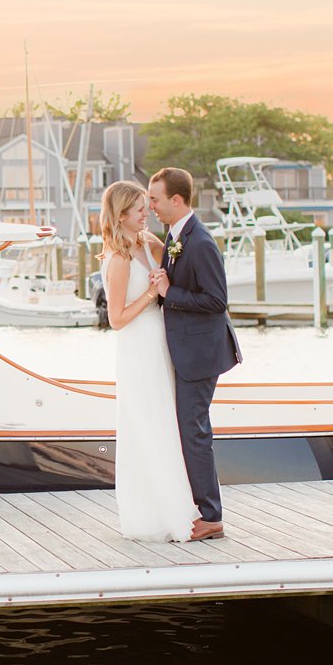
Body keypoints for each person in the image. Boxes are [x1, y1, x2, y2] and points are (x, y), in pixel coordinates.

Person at [146, 167, 242, 541]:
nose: (150, 205)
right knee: (189, 430)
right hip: (188, 349)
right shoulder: (175, 237)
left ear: (176, 199)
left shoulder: (199, 242)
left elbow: (217, 301)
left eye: (155, 198)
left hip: (202, 352)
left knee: (195, 431)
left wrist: (170, 293)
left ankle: (211, 516)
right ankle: (197, 506)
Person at [99, 181, 197, 543]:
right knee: (147, 423)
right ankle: (151, 514)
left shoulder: (146, 243)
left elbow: (173, 263)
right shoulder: (119, 258)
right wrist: (152, 293)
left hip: (159, 342)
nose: (147, 213)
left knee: (165, 422)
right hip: (138, 347)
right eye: (140, 208)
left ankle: (177, 503)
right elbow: (117, 319)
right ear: (122, 214)